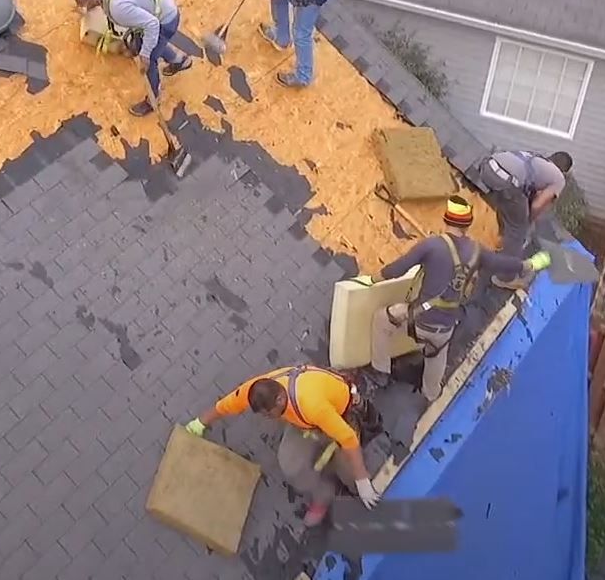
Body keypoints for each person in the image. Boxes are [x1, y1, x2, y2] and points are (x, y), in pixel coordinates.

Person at [363, 196, 552, 400]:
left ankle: (381, 372)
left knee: (383, 319)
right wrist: (530, 264)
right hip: (445, 330)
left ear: (446, 220)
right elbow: (504, 263)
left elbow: (398, 269)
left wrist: (371, 279)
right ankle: (431, 393)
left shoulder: (432, 245)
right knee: (436, 358)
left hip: (418, 320)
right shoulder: (478, 252)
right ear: (468, 224)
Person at [185, 363, 379, 526]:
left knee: (349, 469)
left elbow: (348, 439)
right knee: (290, 463)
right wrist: (200, 423)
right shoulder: (258, 389)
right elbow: (226, 405)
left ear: (280, 399)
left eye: (268, 414)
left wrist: (362, 481)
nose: (267, 418)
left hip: (340, 416)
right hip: (307, 424)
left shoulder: (312, 405)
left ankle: (365, 494)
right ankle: (323, 495)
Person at [65, 0, 193, 116]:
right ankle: (180, 61)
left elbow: (152, 25)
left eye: (80, 1)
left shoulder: (118, 7)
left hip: (164, 20)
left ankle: (153, 100)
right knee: (152, 43)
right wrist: (87, 8)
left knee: (150, 58)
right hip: (160, 4)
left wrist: (145, 55)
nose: (79, 5)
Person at [468, 150, 572, 257]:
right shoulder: (559, 179)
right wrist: (527, 221)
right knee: (518, 229)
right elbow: (537, 205)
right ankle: (504, 266)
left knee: (509, 206)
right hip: (504, 180)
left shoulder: (536, 158)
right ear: (564, 171)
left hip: (487, 165)